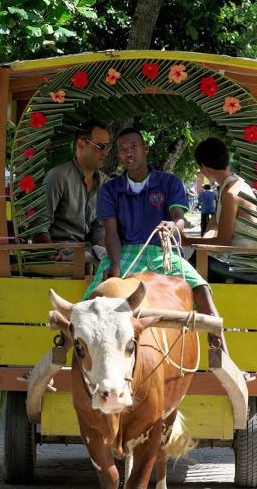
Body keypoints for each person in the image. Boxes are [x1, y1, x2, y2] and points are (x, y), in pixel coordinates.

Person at [93, 129, 223, 346]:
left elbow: (179, 219)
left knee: (202, 291)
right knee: (91, 301)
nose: (128, 153)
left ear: (146, 148)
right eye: (122, 149)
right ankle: (61, 357)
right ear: (118, 156)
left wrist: (172, 226)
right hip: (124, 253)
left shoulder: (169, 183)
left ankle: (222, 356)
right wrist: (114, 265)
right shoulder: (109, 190)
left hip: (162, 253)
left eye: (133, 146)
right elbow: (111, 233)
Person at [181, 137, 257, 284]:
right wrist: (205, 237)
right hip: (239, 261)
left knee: (187, 270)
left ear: (204, 167)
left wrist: (187, 241)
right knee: (195, 260)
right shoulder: (231, 185)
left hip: (246, 268)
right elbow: (215, 220)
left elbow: (223, 241)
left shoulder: (230, 193)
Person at [34, 121, 110, 262]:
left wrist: (107, 251)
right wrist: (52, 254)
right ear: (81, 145)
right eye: (100, 146)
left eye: (107, 147)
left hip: (90, 255)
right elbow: (39, 225)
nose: (105, 152)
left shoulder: (105, 184)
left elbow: (100, 228)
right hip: (61, 254)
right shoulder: (58, 176)